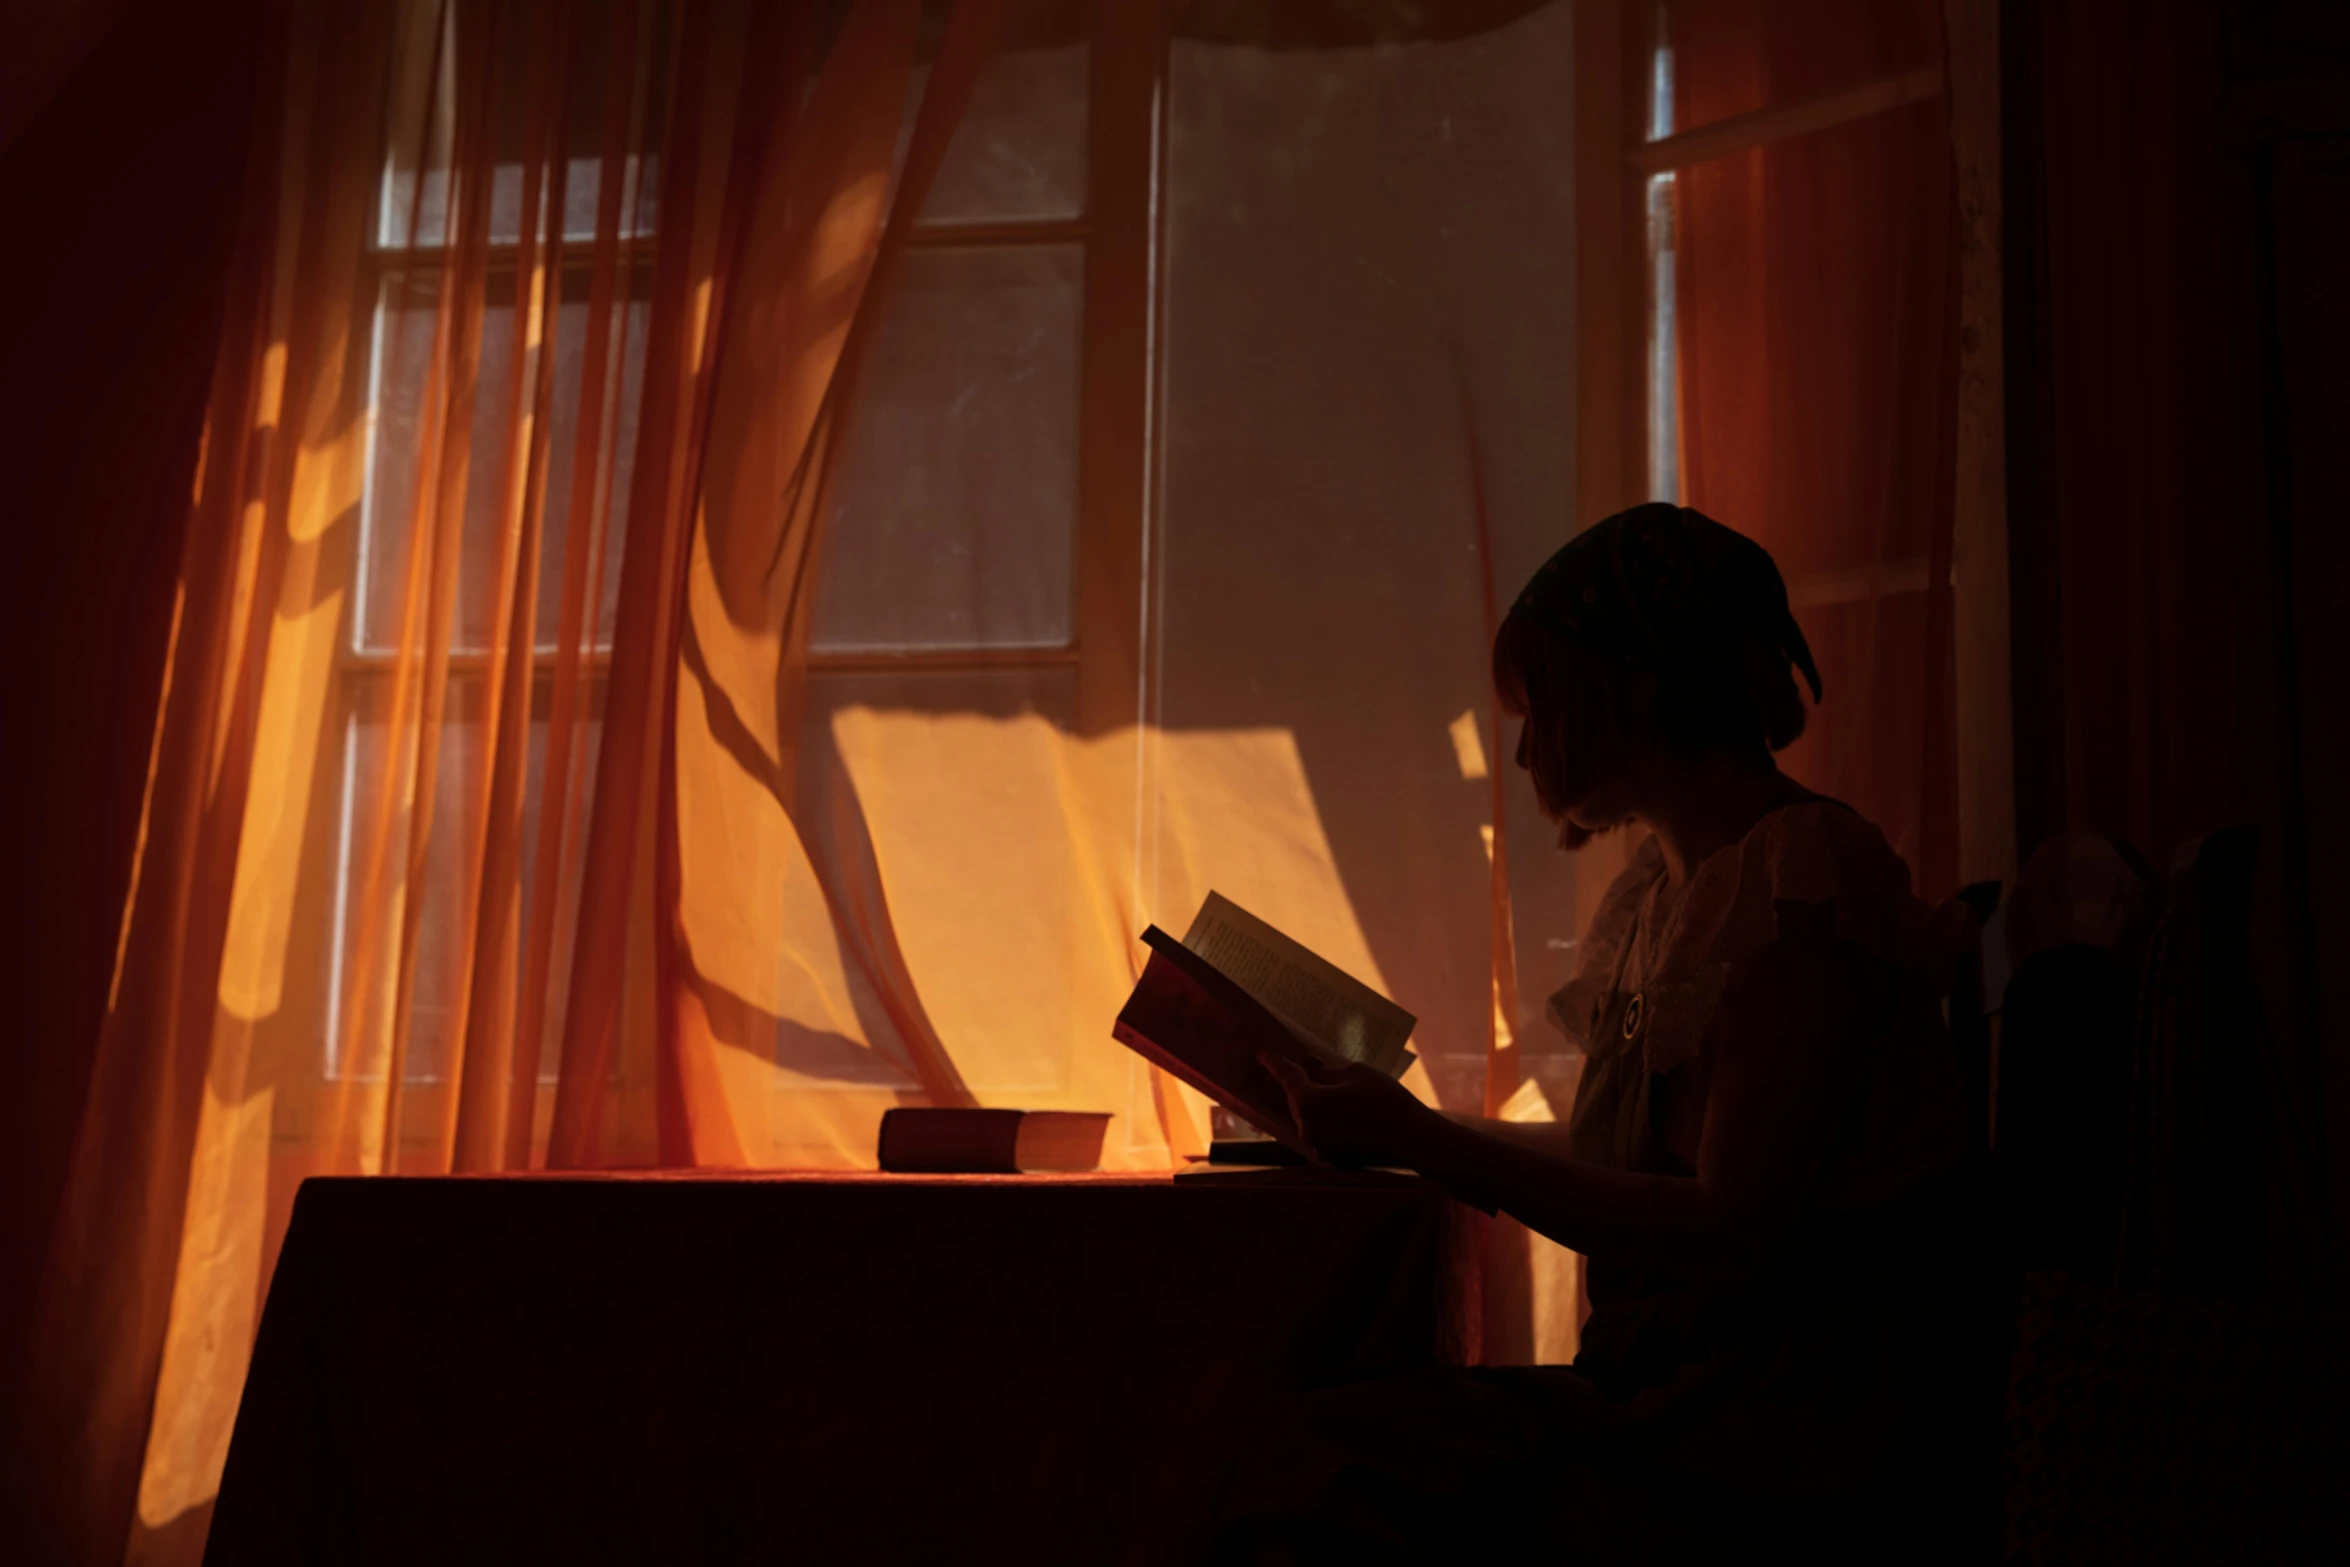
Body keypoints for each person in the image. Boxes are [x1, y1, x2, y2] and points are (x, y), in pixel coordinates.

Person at [1215, 504, 1983, 1565]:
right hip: (1663, 1388)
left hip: (1786, 1426)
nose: (1525, 747)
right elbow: (1603, 1151)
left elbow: (1727, 1223)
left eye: (1540, 706)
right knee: (1296, 1437)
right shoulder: (1660, 897)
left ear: (1625, 690)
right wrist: (1399, 1124)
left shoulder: (1803, 878)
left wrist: (1429, 1141)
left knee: (1332, 1474)